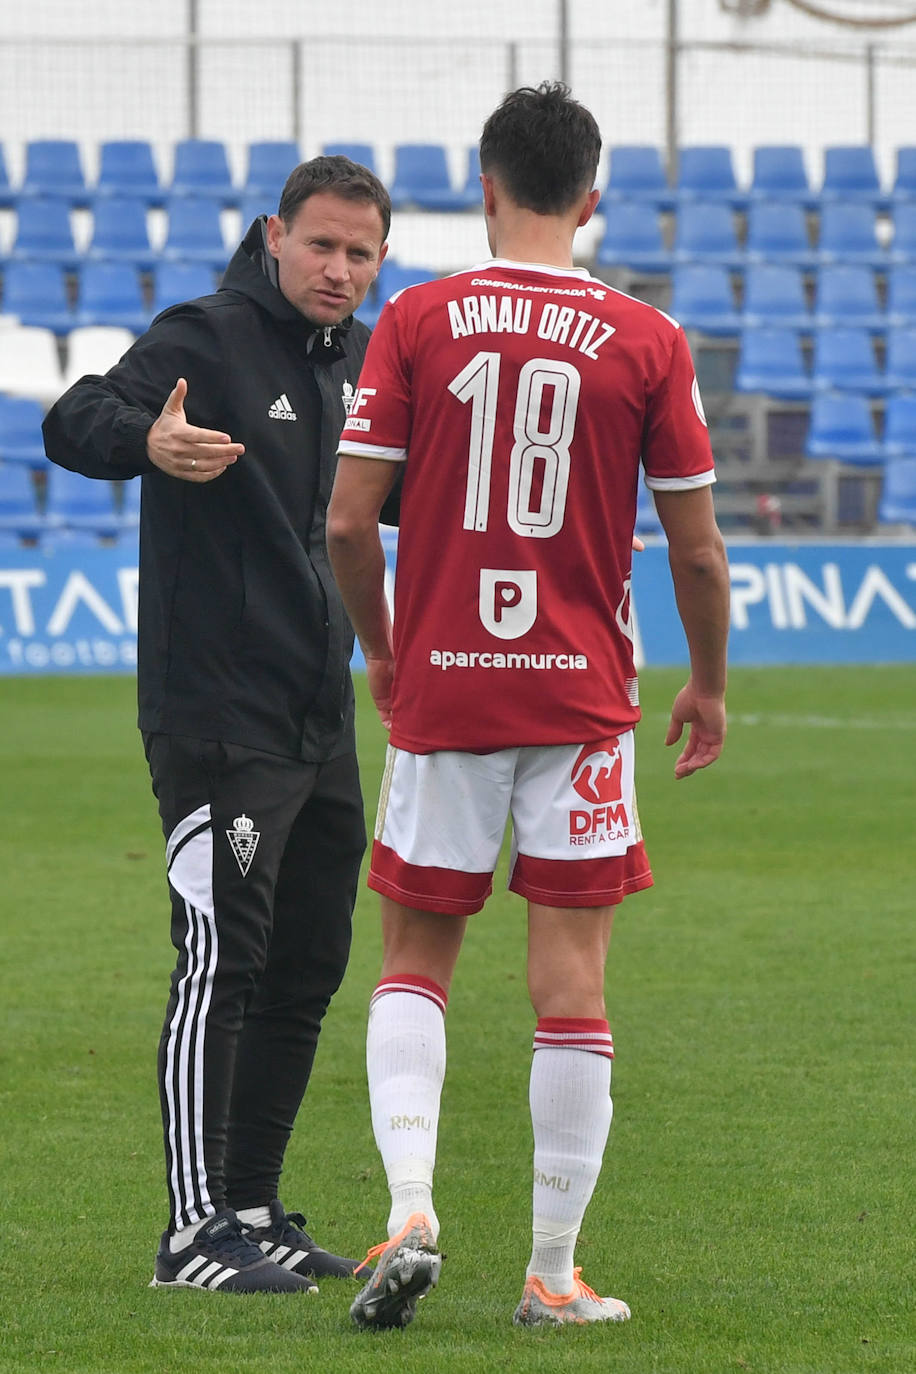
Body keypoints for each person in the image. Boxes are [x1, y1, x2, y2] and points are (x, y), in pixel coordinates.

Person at [326, 82, 729, 1330]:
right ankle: (551, 1272)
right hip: (581, 698)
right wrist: (707, 684)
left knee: (413, 962)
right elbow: (700, 552)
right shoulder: (647, 338)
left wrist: (385, 654)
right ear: (591, 200)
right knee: (572, 986)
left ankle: (407, 1210)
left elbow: (347, 520)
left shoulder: (419, 317)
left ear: (485, 184)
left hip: (445, 686)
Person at [42, 155, 393, 1293]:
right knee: (221, 962)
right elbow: (74, 414)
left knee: (306, 964)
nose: (339, 269)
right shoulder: (207, 334)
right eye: (322, 244)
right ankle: (192, 1236)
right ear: (273, 235)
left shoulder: (347, 369)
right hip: (217, 714)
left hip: (315, 715)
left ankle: (251, 1206)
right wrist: (145, 443)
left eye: (360, 252)